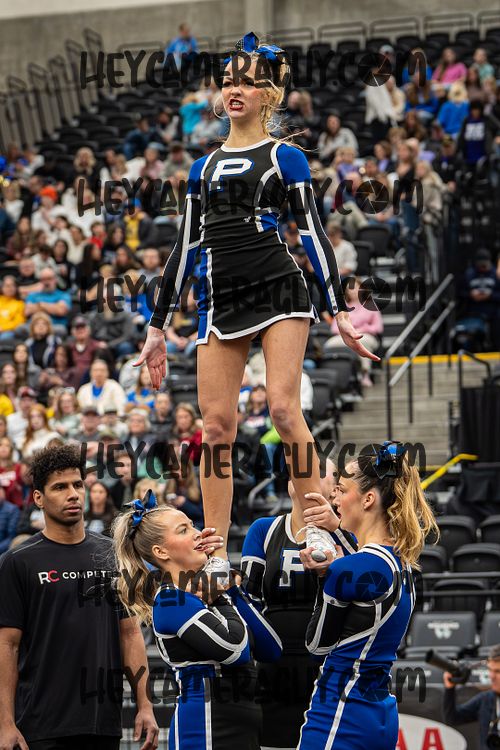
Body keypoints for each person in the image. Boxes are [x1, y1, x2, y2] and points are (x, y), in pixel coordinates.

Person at [136, 31, 379, 585]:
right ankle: (216, 550)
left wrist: (337, 309)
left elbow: (312, 233)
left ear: (269, 94)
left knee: (283, 411)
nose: (234, 89)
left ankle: (317, 525)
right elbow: (184, 249)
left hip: (278, 288)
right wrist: (156, 326)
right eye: (228, 81)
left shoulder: (283, 156)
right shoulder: (202, 168)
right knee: (216, 428)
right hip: (220, 296)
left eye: (246, 82)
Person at [0, 444, 159, 750]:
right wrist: (5, 722)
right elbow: (7, 646)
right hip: (39, 726)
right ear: (38, 498)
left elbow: (129, 634)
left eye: (77, 485)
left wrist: (145, 705)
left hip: (102, 723)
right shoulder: (17, 562)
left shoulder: (112, 554)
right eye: (60, 487)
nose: (73, 494)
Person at [112, 491, 282, 750]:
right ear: (161, 551)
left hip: (243, 731)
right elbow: (235, 650)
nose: (197, 533)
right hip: (205, 731)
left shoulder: (209, 593)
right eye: (183, 530)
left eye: (193, 525)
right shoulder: (170, 600)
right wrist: (220, 594)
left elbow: (271, 649)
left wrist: (230, 589)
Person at [297, 442, 438, 750]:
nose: (334, 498)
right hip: (380, 712)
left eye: (341, 490)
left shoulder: (349, 568)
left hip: (340, 712)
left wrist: (323, 576)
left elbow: (317, 644)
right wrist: (337, 535)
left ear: (368, 499)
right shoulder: (402, 564)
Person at [241, 458, 356, 750]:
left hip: (328, 662)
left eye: (318, 471)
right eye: (300, 468)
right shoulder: (264, 529)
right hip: (272, 666)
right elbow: (250, 599)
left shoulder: (347, 533)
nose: (305, 474)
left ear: (335, 489)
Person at [443, 644, 500, 750]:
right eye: (490, 670)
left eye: (497, 671)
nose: (491, 676)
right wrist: (449, 688)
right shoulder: (485, 699)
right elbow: (452, 718)